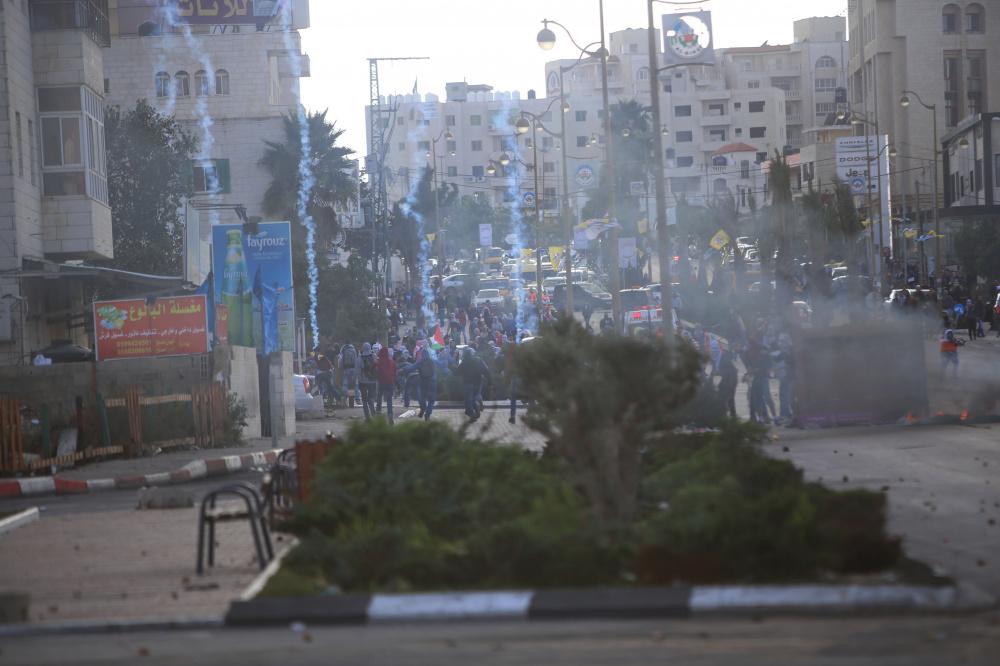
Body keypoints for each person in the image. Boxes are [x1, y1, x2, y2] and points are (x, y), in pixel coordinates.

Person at [459, 348, 490, 422]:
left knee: (469, 400)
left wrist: (452, 368)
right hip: (478, 382)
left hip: (468, 383)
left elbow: (458, 371)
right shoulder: (479, 360)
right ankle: (477, 406)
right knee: (475, 396)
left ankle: (473, 413)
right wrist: (490, 380)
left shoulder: (464, 361)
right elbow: (486, 370)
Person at [375, 345, 397, 424]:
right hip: (390, 383)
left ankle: (378, 412)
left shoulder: (379, 362)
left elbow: (373, 368)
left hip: (381, 382)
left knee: (379, 397)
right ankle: (390, 415)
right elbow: (395, 373)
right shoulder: (392, 362)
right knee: (389, 400)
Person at [417, 346, 437, 421]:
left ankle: (422, 410)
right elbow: (435, 370)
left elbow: (412, 367)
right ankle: (427, 415)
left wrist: (404, 369)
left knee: (423, 398)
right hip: (431, 383)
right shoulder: (432, 361)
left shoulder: (420, 361)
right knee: (431, 401)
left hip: (423, 382)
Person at [358, 342, 377, 420]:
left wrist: (359, 379)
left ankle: (367, 417)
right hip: (372, 381)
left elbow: (358, 371)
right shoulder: (374, 356)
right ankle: (374, 415)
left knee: (364, 400)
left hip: (362, 382)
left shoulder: (359, 358)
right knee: (371, 398)